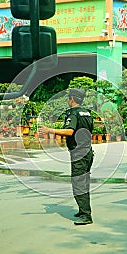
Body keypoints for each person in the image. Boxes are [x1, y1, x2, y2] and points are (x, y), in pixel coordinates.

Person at [39, 88, 94, 225]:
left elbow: (70, 131)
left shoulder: (73, 113)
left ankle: (86, 215)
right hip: (88, 152)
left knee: (78, 184)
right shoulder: (87, 113)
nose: (68, 100)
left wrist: (49, 130)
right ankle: (83, 211)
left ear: (72, 99)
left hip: (79, 154)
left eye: (68, 98)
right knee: (83, 182)